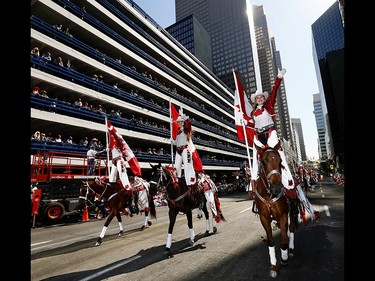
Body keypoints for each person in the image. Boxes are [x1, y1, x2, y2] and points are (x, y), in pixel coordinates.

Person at [246, 68, 294, 190]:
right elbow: (250, 124)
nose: (260, 99)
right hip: (259, 135)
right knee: (256, 155)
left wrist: (279, 77)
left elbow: (274, 91)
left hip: (270, 132)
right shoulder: (252, 113)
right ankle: (255, 179)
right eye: (258, 98)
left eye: (261, 97)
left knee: (279, 153)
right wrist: (244, 119)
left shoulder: (269, 105)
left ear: (264, 98)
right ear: (255, 101)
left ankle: (288, 177)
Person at [174, 113, 196, 188]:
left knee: (188, 166)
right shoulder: (178, 131)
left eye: (180, 121)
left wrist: (186, 119)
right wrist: (173, 141)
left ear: (183, 122)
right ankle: (177, 182)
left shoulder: (186, 129)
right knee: (176, 167)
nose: (179, 123)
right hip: (178, 150)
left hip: (185, 149)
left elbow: (189, 124)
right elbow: (177, 142)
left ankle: (191, 183)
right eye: (178, 122)